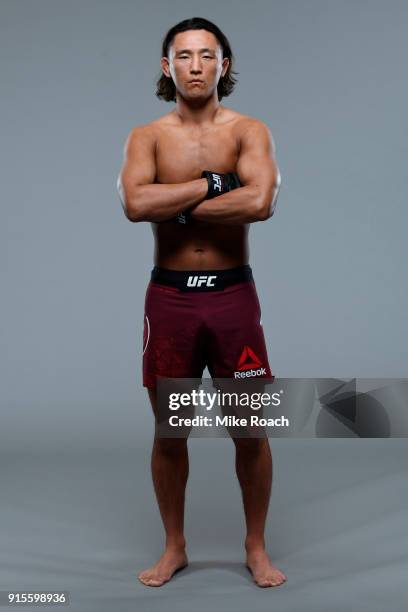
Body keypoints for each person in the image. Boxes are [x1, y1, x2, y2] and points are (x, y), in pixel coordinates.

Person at [117, 17, 285, 588]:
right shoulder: (146, 136)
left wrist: (175, 202)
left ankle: (255, 547)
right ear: (167, 67)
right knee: (170, 431)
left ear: (223, 65)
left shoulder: (249, 130)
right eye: (183, 56)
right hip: (170, 301)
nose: (195, 65)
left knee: (250, 430)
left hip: (233, 295)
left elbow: (259, 201)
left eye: (206, 55)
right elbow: (136, 205)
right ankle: (175, 547)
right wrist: (217, 187)